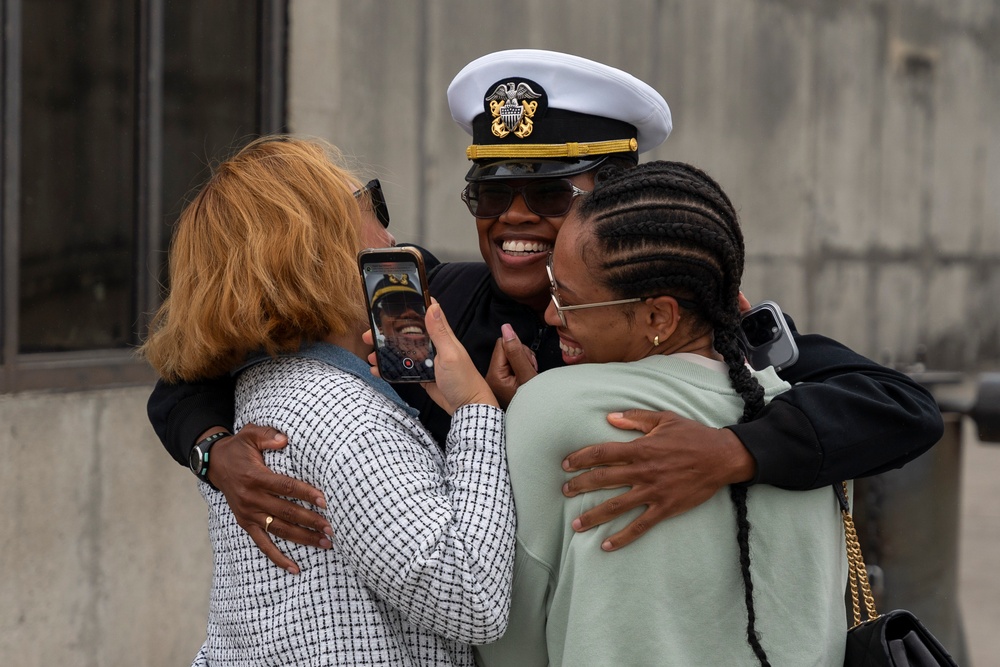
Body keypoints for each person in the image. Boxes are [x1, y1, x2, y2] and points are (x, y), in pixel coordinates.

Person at [146, 49, 943, 571]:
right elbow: (207, 357)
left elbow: (901, 408)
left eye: (550, 192)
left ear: (620, 198)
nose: (514, 216)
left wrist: (733, 451)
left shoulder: (683, 317)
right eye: (492, 191)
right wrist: (216, 451)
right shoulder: (431, 300)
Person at [139, 136, 514, 665]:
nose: (390, 232)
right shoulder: (342, 419)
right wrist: (477, 407)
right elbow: (472, 595)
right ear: (315, 249)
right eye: (371, 205)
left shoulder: (267, 386)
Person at [478, 160, 847, 666]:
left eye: (566, 297)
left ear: (658, 316)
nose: (549, 313)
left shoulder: (552, 406)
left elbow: (505, 634)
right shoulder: (804, 414)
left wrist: (472, 411)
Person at [367, 272, 436, 380]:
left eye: (418, 306)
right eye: (394, 307)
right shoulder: (372, 376)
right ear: (379, 325)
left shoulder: (442, 366)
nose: (411, 313)